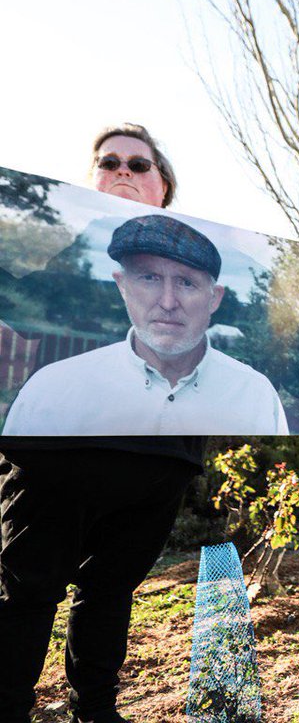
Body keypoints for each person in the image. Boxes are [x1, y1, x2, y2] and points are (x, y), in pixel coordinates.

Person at [0, 124, 203, 723]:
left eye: (139, 165)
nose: (123, 171)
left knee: (112, 591)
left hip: (159, 457)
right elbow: (25, 312)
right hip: (53, 452)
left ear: (162, 186)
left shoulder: (203, 259)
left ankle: (97, 710)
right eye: (108, 161)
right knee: (26, 592)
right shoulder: (61, 247)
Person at [2, 215, 288, 436]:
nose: (167, 302)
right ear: (122, 286)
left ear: (214, 298)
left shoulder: (256, 396)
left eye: (186, 282)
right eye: (149, 278)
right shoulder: (52, 391)